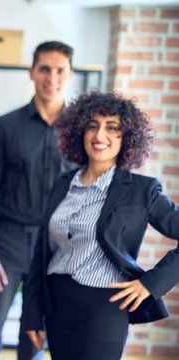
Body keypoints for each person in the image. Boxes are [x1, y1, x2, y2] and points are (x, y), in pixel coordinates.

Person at [22, 91, 179, 360]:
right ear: (79, 131)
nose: (99, 136)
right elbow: (41, 255)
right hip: (57, 308)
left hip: (104, 310)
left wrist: (150, 283)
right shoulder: (63, 183)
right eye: (92, 126)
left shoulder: (142, 190)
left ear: (127, 137)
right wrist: (32, 315)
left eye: (112, 128)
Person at [0, 41, 75, 360]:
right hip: (8, 242)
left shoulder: (83, 130)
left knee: (38, 336)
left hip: (58, 247)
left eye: (60, 70)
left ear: (70, 75)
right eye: (44, 69)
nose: (51, 77)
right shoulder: (6, 126)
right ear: (31, 72)